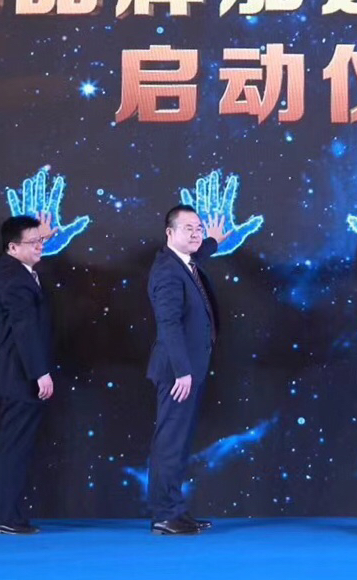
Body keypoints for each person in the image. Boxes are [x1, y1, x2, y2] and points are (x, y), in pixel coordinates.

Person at [145, 204, 224, 535]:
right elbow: (168, 324)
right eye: (188, 228)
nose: (195, 234)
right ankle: (165, 514)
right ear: (170, 233)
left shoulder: (184, 263)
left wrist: (214, 241)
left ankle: (175, 509)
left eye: (199, 228)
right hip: (177, 373)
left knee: (179, 443)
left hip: (189, 371)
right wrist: (182, 371)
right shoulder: (167, 271)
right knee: (170, 442)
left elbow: (198, 253)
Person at [0, 214, 57, 535]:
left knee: (11, 448)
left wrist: (39, 237)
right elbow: (24, 329)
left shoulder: (7, 269)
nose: (40, 247)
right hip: (18, 376)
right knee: (13, 449)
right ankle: (4, 517)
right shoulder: (16, 279)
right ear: (13, 248)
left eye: (41, 241)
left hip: (10, 374)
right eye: (34, 243)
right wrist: (40, 373)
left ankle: (2, 515)